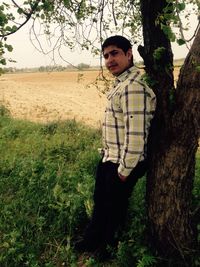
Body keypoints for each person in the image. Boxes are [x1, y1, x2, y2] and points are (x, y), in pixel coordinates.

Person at [75, 35, 156, 260]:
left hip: (124, 162)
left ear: (129, 53)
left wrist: (123, 171)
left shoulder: (133, 87)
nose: (110, 60)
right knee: (101, 201)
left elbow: (136, 135)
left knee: (114, 208)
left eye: (115, 53)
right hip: (110, 157)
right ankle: (91, 239)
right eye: (106, 56)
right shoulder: (121, 83)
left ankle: (107, 251)